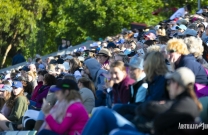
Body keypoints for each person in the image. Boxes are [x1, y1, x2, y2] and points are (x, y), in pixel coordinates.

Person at [81, 68, 202, 135]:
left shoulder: (187, 103)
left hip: (147, 131)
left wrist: (152, 109)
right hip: (144, 128)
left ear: (178, 84)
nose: (168, 86)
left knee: (115, 131)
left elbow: (160, 120)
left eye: (170, 83)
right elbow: (157, 110)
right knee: (102, 112)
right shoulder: (179, 100)